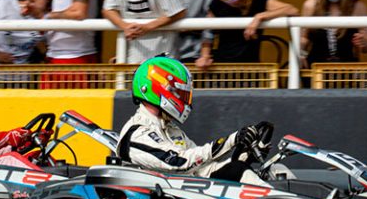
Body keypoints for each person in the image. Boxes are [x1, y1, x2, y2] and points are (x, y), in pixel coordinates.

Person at [116, 55, 272, 187]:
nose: (184, 100)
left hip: (186, 194)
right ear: (157, 90)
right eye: (179, 94)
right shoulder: (137, 133)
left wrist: (243, 157)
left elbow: (203, 168)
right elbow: (179, 162)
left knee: (271, 168)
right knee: (239, 171)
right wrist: (230, 141)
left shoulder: (171, 130)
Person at [203, 0, 298, 65]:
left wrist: (260, 16)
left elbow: (292, 10)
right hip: (223, 65)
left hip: (250, 67)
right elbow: (208, 33)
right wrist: (205, 56)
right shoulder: (217, 3)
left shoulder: (257, 0)